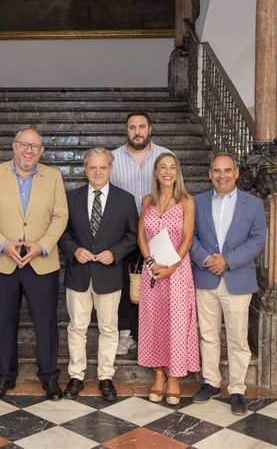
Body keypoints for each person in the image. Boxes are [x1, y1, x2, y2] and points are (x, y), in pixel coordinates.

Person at [0, 127, 68, 401]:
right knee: (4, 322)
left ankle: (50, 378)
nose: (29, 151)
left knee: (46, 323)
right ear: (14, 146)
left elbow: (60, 216)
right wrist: (3, 244)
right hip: (4, 261)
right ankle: (5, 377)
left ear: (42, 151)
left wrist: (43, 245)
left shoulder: (53, 176)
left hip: (40, 261)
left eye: (35, 147)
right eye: (24, 145)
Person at [58, 148, 138, 401]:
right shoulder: (71, 198)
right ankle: (76, 376)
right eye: (93, 167)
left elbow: (133, 236)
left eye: (103, 167)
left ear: (111, 169)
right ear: (85, 169)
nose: (98, 172)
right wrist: (74, 250)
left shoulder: (125, 200)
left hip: (109, 275)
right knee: (77, 328)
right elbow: (61, 233)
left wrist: (114, 253)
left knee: (109, 328)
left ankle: (105, 376)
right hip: (78, 273)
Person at [190, 153, 266, 415]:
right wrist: (206, 259)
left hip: (238, 279)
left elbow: (257, 240)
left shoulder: (253, 205)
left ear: (236, 173)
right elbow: (191, 237)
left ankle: (237, 389)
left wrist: (228, 261)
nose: (221, 175)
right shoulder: (197, 202)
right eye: (216, 171)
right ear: (210, 174)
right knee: (208, 335)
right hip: (206, 276)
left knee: (237, 338)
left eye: (226, 171)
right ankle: (211, 382)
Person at [137, 152, 200, 405]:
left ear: (178, 172)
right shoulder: (146, 201)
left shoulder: (186, 201)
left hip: (177, 272)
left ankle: (174, 377)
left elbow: (187, 237)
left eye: (172, 167)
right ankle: (159, 374)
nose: (167, 172)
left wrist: (173, 266)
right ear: (155, 172)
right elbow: (141, 236)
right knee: (155, 322)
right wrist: (150, 262)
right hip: (152, 272)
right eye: (162, 167)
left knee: (176, 323)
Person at [111, 112, 171, 355]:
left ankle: (150, 334)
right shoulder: (113, 158)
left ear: (150, 129)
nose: (137, 131)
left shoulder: (165, 157)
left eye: (142, 127)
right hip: (123, 233)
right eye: (132, 127)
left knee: (154, 284)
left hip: (156, 233)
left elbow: (175, 190)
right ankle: (125, 334)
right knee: (125, 284)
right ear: (127, 130)